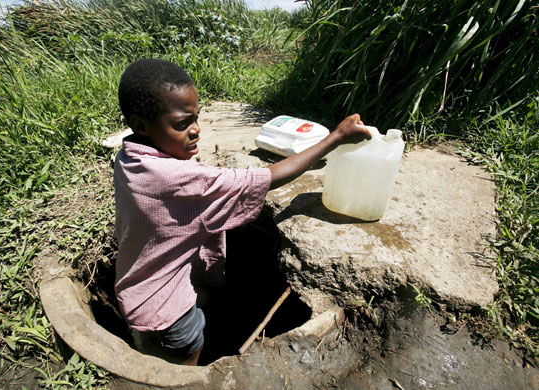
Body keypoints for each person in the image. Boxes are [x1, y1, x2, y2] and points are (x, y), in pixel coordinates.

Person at [114, 58, 370, 366]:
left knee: (177, 339)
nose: (195, 130)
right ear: (141, 124)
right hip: (169, 316)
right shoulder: (176, 178)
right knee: (184, 373)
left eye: (196, 118)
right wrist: (337, 137)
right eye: (182, 124)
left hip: (138, 291)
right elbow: (268, 177)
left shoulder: (129, 156)